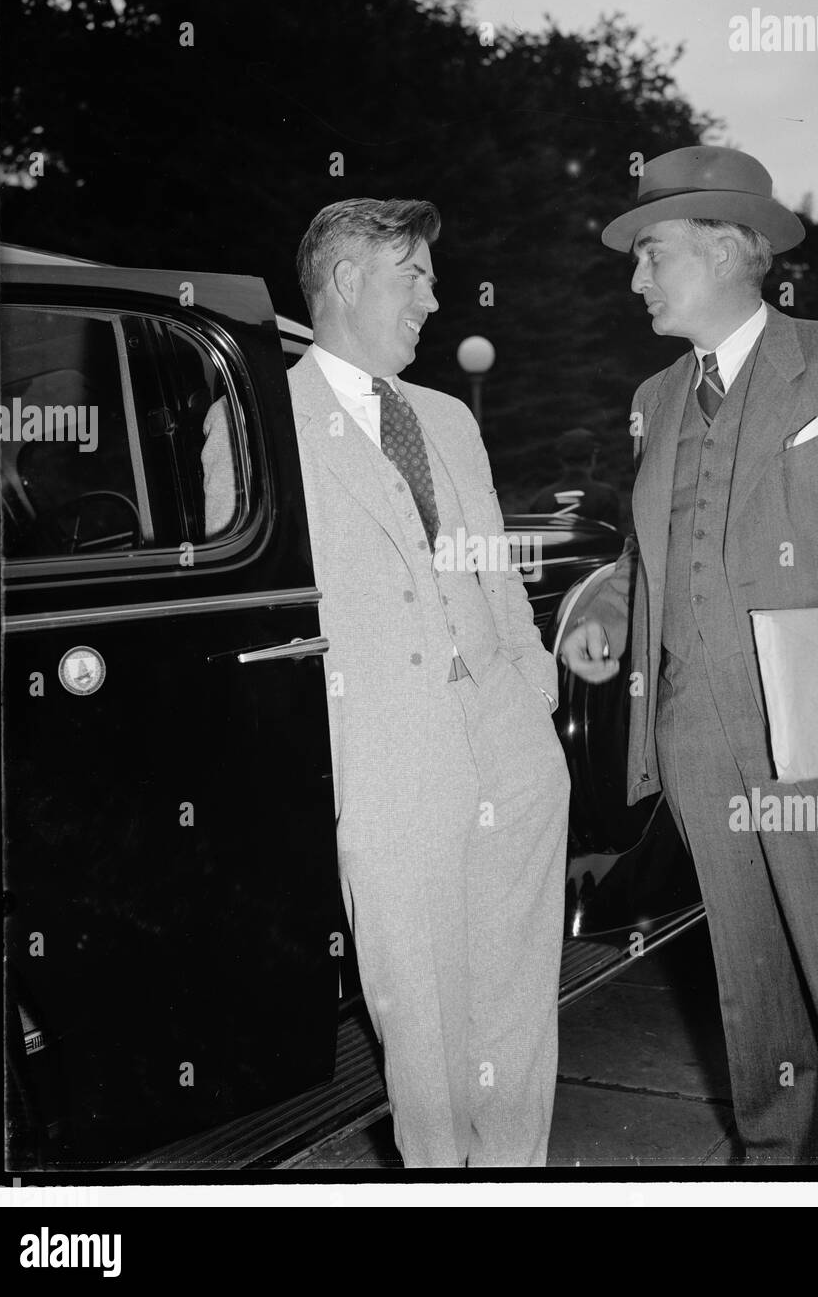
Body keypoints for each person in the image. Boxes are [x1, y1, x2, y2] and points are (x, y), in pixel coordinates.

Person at [561, 145, 818, 1164]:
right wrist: (614, 615)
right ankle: (778, 1165)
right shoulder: (652, 396)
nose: (634, 275)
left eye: (651, 252)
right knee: (747, 974)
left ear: (732, 248)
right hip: (699, 733)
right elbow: (662, 554)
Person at [277, 198, 568, 1167]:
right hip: (390, 759)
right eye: (415, 277)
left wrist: (533, 690)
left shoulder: (444, 416)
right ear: (348, 279)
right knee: (425, 1023)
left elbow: (495, 570)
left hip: (508, 741)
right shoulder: (266, 422)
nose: (435, 301)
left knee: (516, 1010)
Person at [531, 427, 622, 529]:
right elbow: (613, 539)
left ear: (561, 460)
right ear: (592, 459)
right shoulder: (606, 495)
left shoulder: (543, 498)